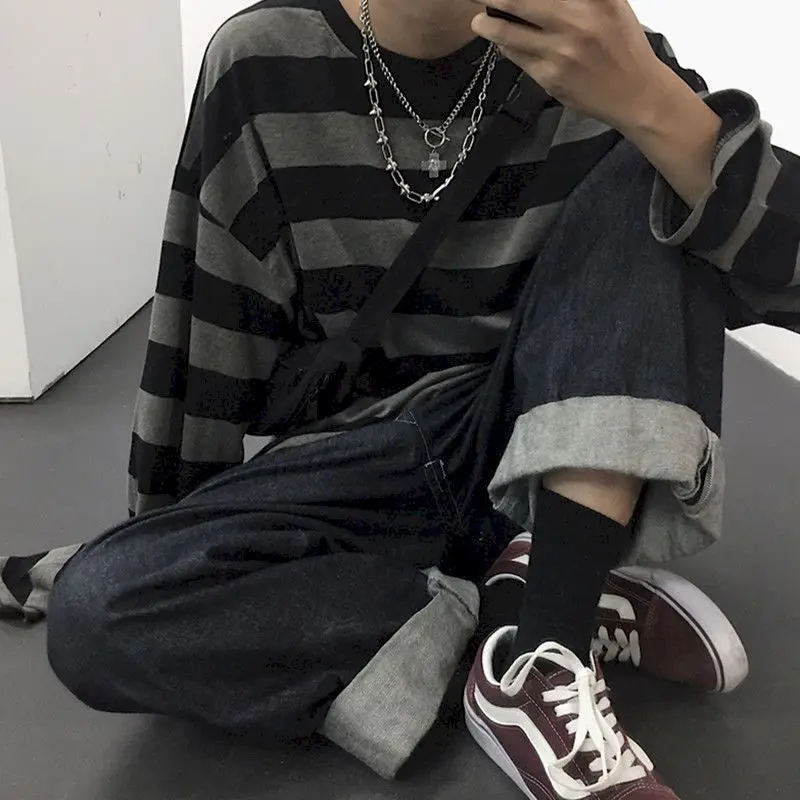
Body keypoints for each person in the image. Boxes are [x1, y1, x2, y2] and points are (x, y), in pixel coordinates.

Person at [3, 0, 799, 796]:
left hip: (550, 456)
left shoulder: (596, 45)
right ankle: (521, 606)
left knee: (648, 172)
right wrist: (174, 549)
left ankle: (546, 638)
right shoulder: (262, 60)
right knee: (99, 610)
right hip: (371, 467)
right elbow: (206, 330)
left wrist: (653, 104)